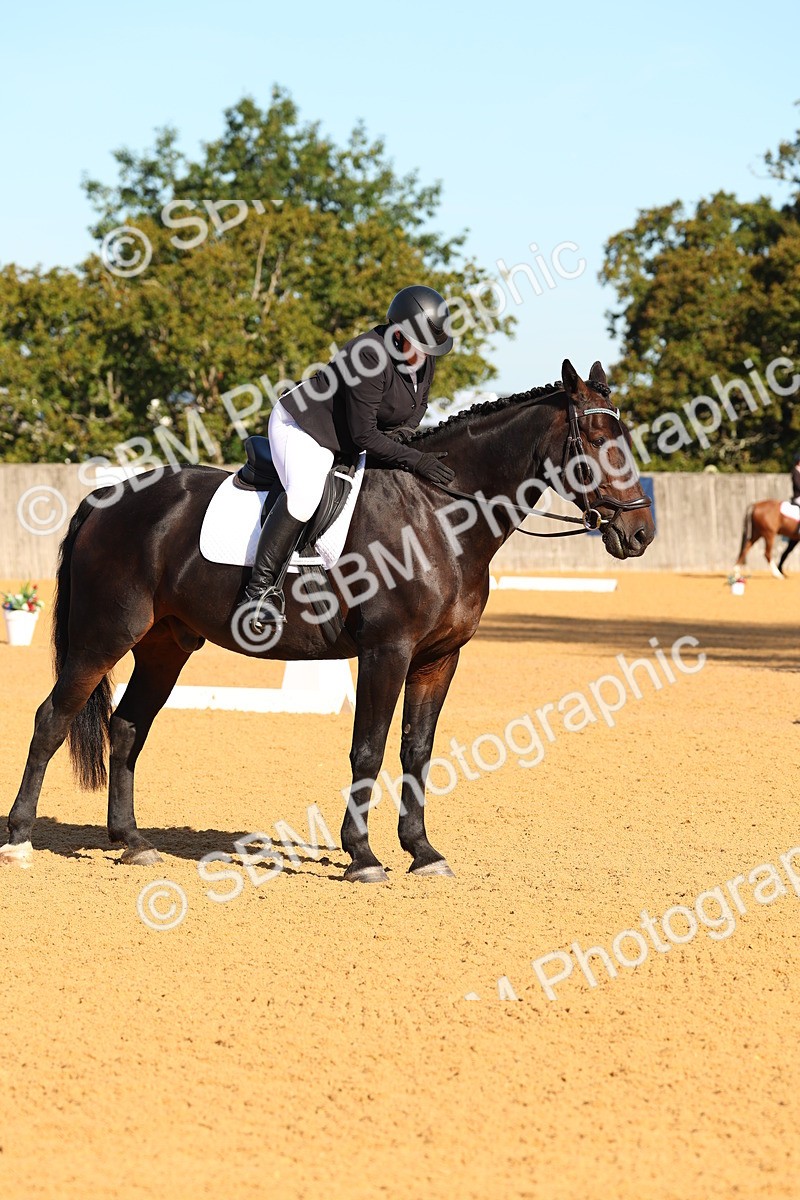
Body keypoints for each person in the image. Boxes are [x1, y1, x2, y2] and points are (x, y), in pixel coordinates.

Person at [241, 285, 456, 630]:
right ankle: (259, 591)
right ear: (399, 333)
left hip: (349, 436)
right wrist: (414, 458)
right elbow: (364, 436)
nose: (425, 356)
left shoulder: (423, 357)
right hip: (304, 426)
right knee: (305, 494)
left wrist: (405, 435)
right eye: (421, 346)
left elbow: (418, 407)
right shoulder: (368, 356)